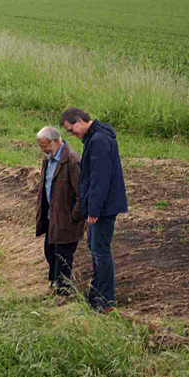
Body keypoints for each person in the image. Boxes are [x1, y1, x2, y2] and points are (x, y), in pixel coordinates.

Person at [60, 108, 128, 312]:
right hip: (101, 206)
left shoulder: (99, 141)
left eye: (71, 129)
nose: (72, 134)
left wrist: (94, 211)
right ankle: (97, 294)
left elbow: (100, 180)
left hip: (103, 208)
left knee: (101, 252)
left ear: (80, 121)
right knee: (96, 248)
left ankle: (105, 300)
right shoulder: (96, 138)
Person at [35, 126, 85, 300]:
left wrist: (74, 217)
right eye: (41, 147)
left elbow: (82, 194)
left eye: (46, 146)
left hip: (66, 220)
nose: (44, 150)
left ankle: (63, 293)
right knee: (50, 252)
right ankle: (54, 285)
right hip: (51, 218)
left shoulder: (72, 161)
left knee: (63, 257)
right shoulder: (48, 159)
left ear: (56, 141)